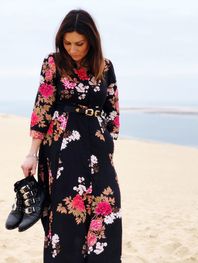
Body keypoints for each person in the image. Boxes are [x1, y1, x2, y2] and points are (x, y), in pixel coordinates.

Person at [20, 9, 122, 262]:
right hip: (63, 146)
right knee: (67, 213)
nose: (73, 49)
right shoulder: (53, 63)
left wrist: (106, 140)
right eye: (67, 43)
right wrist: (31, 153)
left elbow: (112, 107)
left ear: (92, 41)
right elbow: (43, 106)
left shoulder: (105, 66)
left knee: (106, 207)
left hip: (98, 147)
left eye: (79, 43)